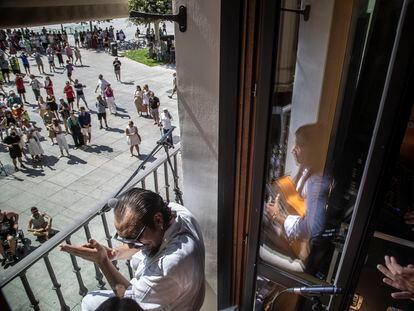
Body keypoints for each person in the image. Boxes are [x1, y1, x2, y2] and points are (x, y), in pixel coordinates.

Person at [60, 188, 205, 311]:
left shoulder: (168, 266)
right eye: (125, 239)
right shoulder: (176, 212)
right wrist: (113, 254)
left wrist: (103, 261)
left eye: (135, 236)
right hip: (180, 295)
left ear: (158, 219)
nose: (132, 244)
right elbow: (139, 246)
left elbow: (128, 303)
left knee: (88, 301)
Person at [264, 123, 331, 261]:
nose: (293, 150)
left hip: (299, 254)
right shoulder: (306, 168)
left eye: (299, 145)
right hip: (291, 240)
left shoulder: (317, 181)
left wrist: (277, 216)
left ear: (313, 149)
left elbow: (314, 226)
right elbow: (296, 201)